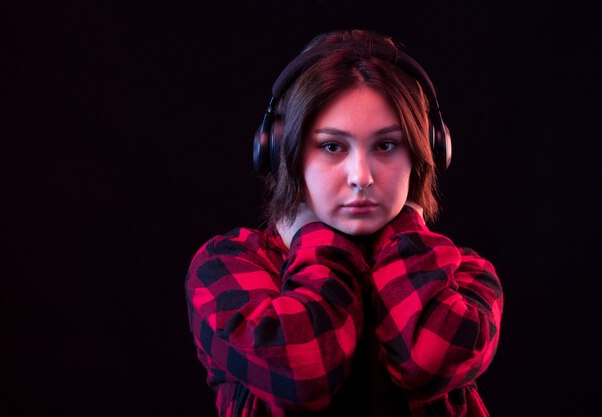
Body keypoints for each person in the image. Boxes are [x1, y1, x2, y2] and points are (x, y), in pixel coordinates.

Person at [185, 29, 503, 417]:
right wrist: (314, 239)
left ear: (424, 153)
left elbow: (429, 363)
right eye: (333, 146)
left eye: (386, 145)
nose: (361, 176)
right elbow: (305, 376)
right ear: (284, 154)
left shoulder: (467, 275)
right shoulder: (226, 266)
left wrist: (403, 234)